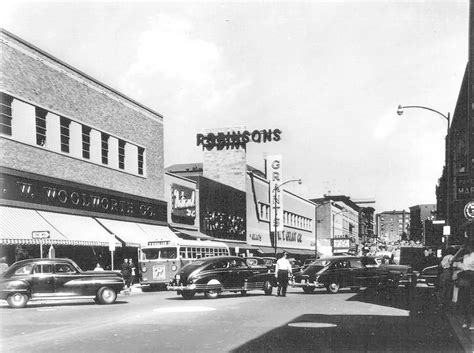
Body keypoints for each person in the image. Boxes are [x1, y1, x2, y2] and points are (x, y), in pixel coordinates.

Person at [453, 246, 474, 329]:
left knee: (469, 300)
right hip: (465, 277)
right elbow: (453, 260)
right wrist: (459, 251)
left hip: (471, 277)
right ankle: (467, 321)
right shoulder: (465, 256)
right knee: (465, 300)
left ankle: (470, 322)